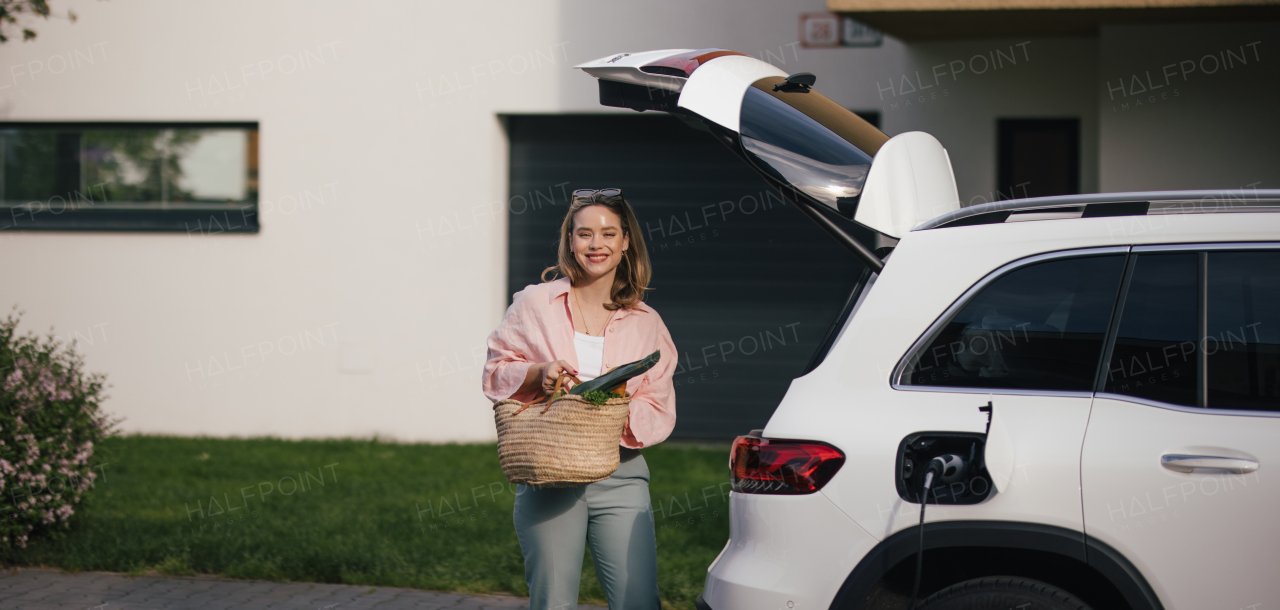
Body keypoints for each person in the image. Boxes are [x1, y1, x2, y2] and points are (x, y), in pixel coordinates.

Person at [482, 188, 677, 610]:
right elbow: (495, 373)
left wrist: (610, 411)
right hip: (549, 473)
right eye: (584, 233)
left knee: (639, 601)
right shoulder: (535, 302)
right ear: (570, 240)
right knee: (552, 602)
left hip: (620, 475)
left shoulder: (646, 321)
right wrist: (538, 373)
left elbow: (658, 402)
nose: (596, 244)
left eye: (608, 233)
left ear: (626, 242)